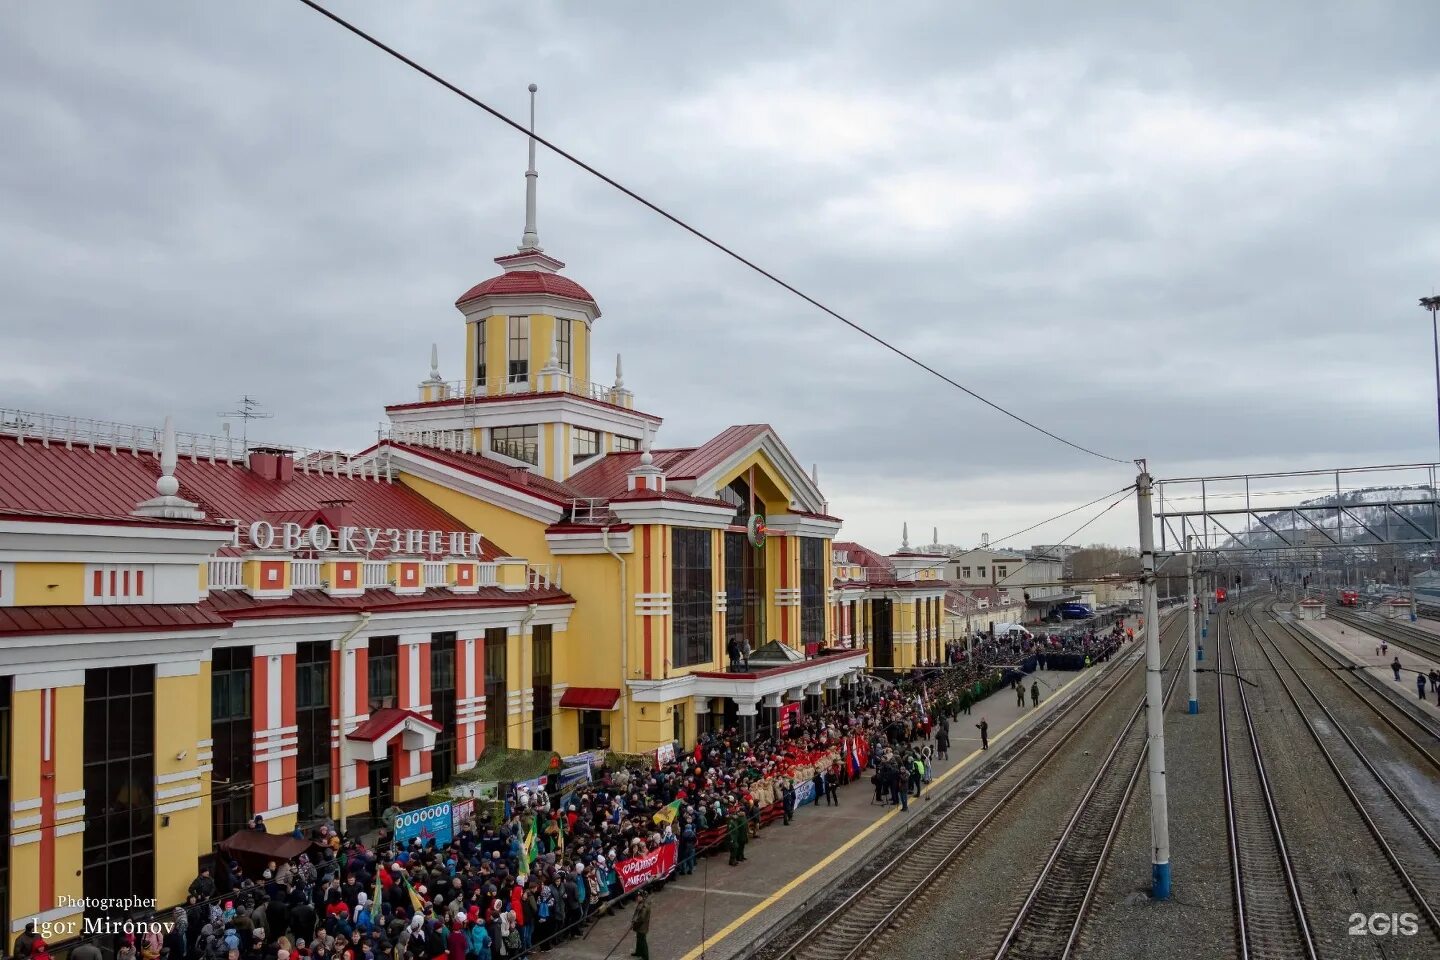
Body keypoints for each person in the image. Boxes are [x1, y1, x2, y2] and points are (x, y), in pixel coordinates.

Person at [630, 890, 651, 960]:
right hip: (640, 926)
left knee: (642, 941)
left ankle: (645, 957)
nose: (637, 898)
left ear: (643, 897)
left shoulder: (644, 906)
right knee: (639, 939)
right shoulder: (642, 903)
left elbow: (641, 918)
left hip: (642, 926)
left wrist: (634, 923)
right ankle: (638, 952)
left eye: (639, 896)